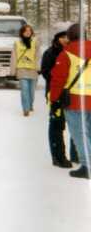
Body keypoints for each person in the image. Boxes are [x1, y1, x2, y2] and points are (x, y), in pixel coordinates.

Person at [49, 23, 91, 179]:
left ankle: (87, 166)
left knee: (79, 134)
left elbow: (58, 80)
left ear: (70, 36)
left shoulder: (66, 53)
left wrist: (54, 100)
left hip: (74, 101)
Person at [41, 30, 78, 168]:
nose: (65, 39)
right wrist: (59, 81)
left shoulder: (73, 52)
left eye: (67, 37)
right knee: (57, 125)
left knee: (75, 124)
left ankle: (76, 155)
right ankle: (58, 156)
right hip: (55, 93)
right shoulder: (50, 53)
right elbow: (45, 72)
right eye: (63, 37)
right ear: (57, 38)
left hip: (71, 93)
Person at [10, 24, 40, 117]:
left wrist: (38, 68)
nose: (28, 32)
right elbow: (13, 57)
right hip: (21, 69)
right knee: (24, 90)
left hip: (33, 70)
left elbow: (38, 56)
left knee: (31, 91)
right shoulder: (17, 43)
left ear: (31, 32)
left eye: (29, 31)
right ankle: (25, 109)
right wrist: (13, 70)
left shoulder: (35, 42)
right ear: (22, 32)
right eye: (26, 31)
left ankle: (30, 105)